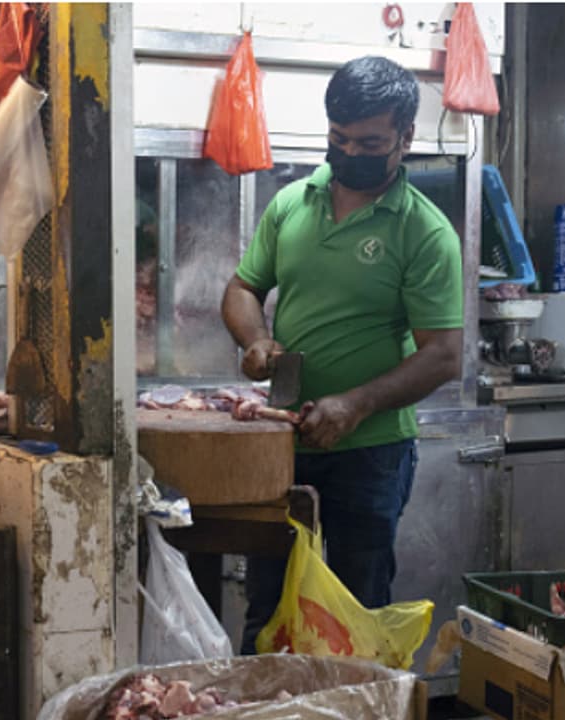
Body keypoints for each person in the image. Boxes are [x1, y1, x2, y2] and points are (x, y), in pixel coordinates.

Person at [221, 56, 463, 654]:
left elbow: (443, 355)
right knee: (270, 615)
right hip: (282, 444)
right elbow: (243, 289)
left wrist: (355, 405)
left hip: (370, 456)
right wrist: (254, 340)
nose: (349, 152)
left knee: (356, 620)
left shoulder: (424, 232)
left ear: (405, 138)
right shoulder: (291, 204)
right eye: (338, 139)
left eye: (368, 142)